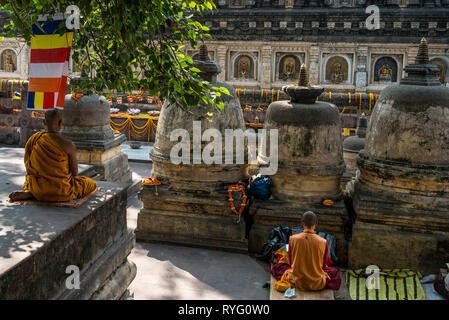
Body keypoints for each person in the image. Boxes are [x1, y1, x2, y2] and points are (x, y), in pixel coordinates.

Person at [8, 109, 97, 202]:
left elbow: (29, 166)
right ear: (60, 123)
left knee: (37, 185)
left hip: (38, 188)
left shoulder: (35, 140)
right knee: (91, 183)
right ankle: (43, 192)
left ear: (44, 122)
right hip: (61, 190)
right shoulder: (68, 145)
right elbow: (74, 173)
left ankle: (32, 192)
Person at [284, 211, 341, 291]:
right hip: (317, 282)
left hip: (297, 281)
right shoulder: (323, 242)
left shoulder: (293, 239)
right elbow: (324, 266)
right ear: (316, 223)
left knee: (279, 267)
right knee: (334, 271)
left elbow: (290, 262)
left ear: (302, 223)